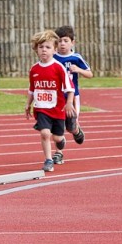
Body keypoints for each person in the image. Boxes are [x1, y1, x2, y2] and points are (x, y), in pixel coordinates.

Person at [25, 30, 75, 172]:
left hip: (57, 109)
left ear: (54, 49)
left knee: (57, 138)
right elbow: (32, 89)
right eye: (41, 47)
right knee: (45, 133)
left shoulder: (58, 67)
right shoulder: (34, 69)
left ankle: (61, 141)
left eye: (48, 47)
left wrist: (69, 103)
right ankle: (48, 160)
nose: (44, 50)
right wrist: (28, 104)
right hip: (41, 108)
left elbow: (70, 88)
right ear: (36, 49)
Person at [54, 25, 93, 163]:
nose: (62, 44)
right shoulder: (53, 57)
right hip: (56, 97)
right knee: (56, 125)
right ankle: (58, 152)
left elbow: (90, 74)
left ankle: (76, 130)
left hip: (72, 96)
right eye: (59, 41)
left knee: (70, 126)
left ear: (72, 42)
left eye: (65, 41)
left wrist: (78, 70)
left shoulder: (76, 58)